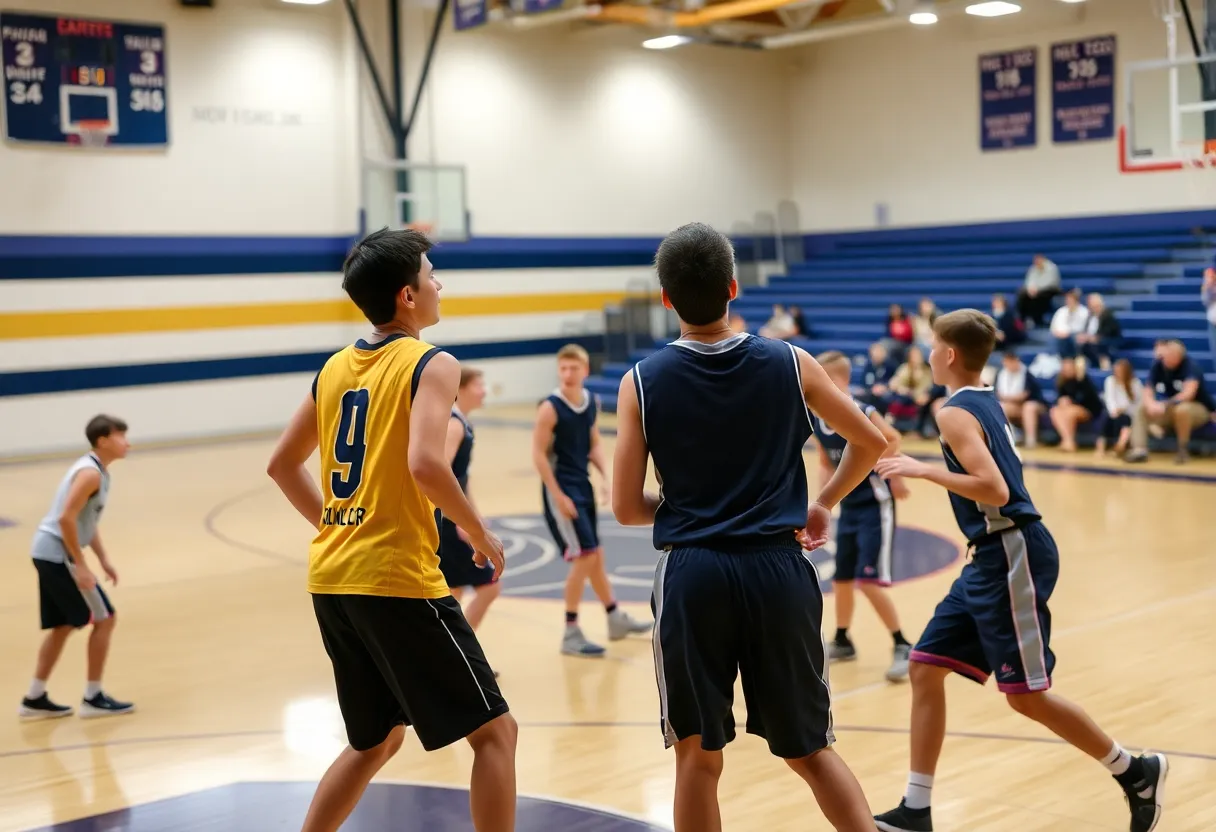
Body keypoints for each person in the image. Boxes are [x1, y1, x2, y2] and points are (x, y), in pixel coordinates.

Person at [612, 222, 889, 832]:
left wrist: (691, 505)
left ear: (666, 300)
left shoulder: (639, 383)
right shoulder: (791, 361)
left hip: (693, 574)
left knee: (696, 759)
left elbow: (627, 508)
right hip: (778, 571)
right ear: (734, 287)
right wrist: (823, 503)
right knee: (811, 750)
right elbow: (871, 442)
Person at [870, 309, 1167, 832]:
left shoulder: (954, 412)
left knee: (1027, 697)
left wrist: (922, 468)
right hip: (990, 555)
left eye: (934, 345)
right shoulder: (984, 399)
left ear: (949, 354)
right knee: (924, 666)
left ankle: (1135, 771)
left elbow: (996, 490)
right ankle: (917, 807)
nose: (930, 352)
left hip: (1012, 551)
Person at [266, 228, 517, 832]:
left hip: (332, 577)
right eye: (432, 274)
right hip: (396, 579)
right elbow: (427, 464)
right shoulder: (433, 362)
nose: (439, 284)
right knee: (496, 734)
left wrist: (336, 523)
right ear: (408, 296)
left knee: (374, 742)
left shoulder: (332, 369)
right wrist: (478, 531)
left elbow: (281, 464)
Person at [532, 344, 652, 658]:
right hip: (561, 489)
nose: (568, 374)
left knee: (595, 555)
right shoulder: (550, 407)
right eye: (563, 369)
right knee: (585, 557)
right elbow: (539, 456)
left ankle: (614, 617)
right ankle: (570, 631)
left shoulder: (590, 402)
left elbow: (594, 444)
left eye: (574, 368)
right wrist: (558, 496)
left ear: (585, 370)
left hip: (581, 484)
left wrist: (605, 479)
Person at [19, 415, 134, 721]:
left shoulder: (98, 471)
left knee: (64, 625)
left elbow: (86, 520)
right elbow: (65, 519)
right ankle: (93, 697)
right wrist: (81, 566)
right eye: (121, 436)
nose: (128, 442)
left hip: (49, 553)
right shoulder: (90, 475)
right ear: (102, 441)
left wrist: (104, 559)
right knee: (105, 619)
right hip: (57, 555)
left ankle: (34, 698)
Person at [815, 351, 913, 683]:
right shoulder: (818, 419)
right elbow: (825, 463)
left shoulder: (862, 410)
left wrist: (893, 473)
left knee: (868, 580)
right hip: (850, 507)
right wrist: (822, 504)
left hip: (876, 504)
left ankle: (903, 644)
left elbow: (893, 438)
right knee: (842, 578)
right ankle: (842, 639)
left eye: (823, 379)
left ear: (840, 381)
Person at [438, 366, 502, 646]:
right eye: (478, 385)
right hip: (448, 523)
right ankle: (459, 653)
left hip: (454, 519)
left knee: (454, 593)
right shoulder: (453, 425)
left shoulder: (461, 422)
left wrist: (475, 515)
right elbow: (443, 475)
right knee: (486, 587)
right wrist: (463, 521)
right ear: (460, 389)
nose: (484, 390)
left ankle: (454, 654)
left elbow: (462, 480)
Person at [1124, 338, 1215, 465]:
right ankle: (1139, 450)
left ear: (1178, 356)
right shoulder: (1158, 365)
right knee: (1141, 408)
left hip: (1199, 408)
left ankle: (1183, 450)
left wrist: (1165, 405)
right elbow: (1148, 390)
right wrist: (1151, 404)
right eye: (1164, 355)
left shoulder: (1191, 366)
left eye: (1168, 355)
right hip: (1169, 407)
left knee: (1182, 410)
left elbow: (1188, 394)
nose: (1164, 358)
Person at [1048, 358, 1103, 453]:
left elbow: (1089, 400)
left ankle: (1069, 442)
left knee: (1070, 412)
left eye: (1069, 368)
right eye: (1065, 368)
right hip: (1068, 408)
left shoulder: (1083, 379)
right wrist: (1062, 401)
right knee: (1055, 411)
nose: (1067, 370)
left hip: (1088, 410)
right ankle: (1067, 440)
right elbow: (1060, 398)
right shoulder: (1062, 381)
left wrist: (1072, 402)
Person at [994, 350, 1045, 449]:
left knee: (1029, 407)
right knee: (1001, 407)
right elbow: (998, 393)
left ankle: (1031, 440)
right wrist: (1010, 398)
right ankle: (1012, 436)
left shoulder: (1027, 374)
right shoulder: (1001, 374)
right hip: (1013, 405)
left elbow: (1025, 395)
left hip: (1032, 405)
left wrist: (1009, 397)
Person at [1096, 359, 1141, 458]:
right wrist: (1114, 410)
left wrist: (1123, 409)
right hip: (1114, 412)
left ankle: (1120, 446)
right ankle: (1100, 448)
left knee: (1125, 419)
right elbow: (1109, 398)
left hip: (1129, 413)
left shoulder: (1135, 383)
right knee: (1105, 417)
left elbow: (1137, 403)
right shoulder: (1110, 381)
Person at [1075, 293, 1121, 370]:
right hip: (1091, 341)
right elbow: (1086, 330)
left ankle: (1105, 366)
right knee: (1080, 344)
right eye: (1091, 306)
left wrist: (1096, 337)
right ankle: (1081, 369)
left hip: (1108, 340)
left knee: (1097, 344)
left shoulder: (1108, 316)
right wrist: (1083, 336)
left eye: (1095, 306)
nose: (1093, 308)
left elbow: (1109, 331)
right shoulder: (1090, 317)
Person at [1016, 254, 1061, 327]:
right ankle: (1022, 319)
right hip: (1035, 290)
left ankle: (1037, 320)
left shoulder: (1051, 268)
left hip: (1050, 290)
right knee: (1022, 294)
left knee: (1039, 297)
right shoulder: (1033, 268)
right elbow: (1029, 281)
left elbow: (1051, 282)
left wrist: (1037, 289)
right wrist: (1030, 289)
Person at [1048, 288, 1090, 359]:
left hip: (1077, 336)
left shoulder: (1084, 312)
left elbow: (1084, 329)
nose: (1068, 301)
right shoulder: (1061, 311)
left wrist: (1068, 333)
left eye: (1071, 300)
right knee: (1054, 339)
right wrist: (1061, 333)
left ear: (1076, 300)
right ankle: (1056, 359)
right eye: (1067, 299)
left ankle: (1073, 358)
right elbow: (1054, 328)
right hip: (1061, 337)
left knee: (1073, 338)